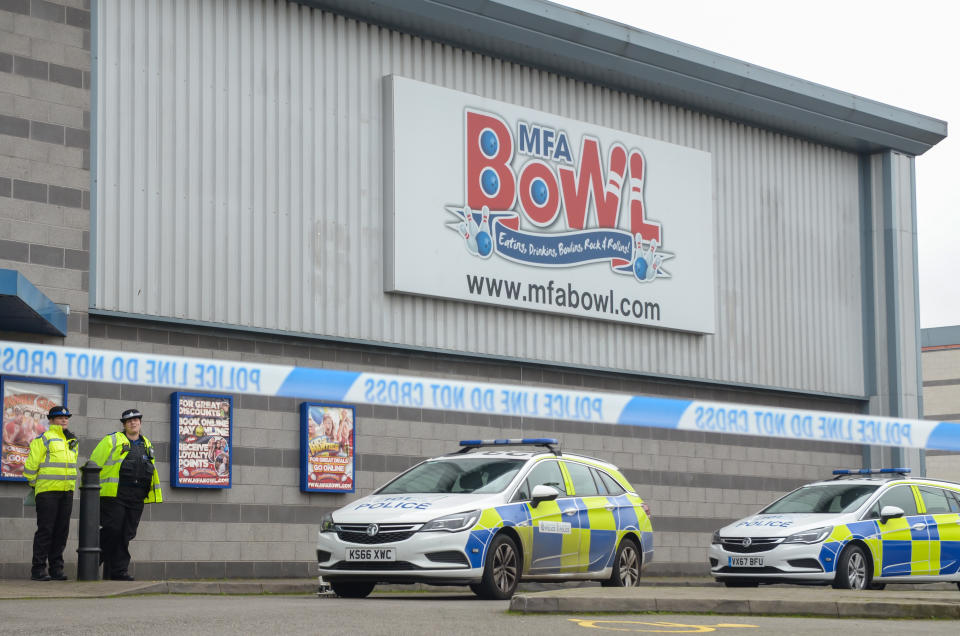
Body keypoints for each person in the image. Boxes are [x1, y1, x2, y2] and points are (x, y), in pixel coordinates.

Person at [89, 408, 163, 581]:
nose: (133, 422)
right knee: (113, 529)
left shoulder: (146, 444)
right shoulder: (112, 440)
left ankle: (118, 571)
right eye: (129, 421)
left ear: (140, 423)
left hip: (137, 496)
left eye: (136, 420)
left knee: (126, 534)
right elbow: (93, 463)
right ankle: (91, 563)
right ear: (124, 424)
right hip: (115, 495)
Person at [22, 406, 78, 581]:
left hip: (66, 492)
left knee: (61, 532)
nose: (64, 420)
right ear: (51, 420)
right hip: (47, 491)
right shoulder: (44, 439)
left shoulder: (71, 441)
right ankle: (38, 569)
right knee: (46, 530)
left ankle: (56, 569)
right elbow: (31, 467)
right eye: (59, 417)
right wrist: (36, 486)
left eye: (66, 417)